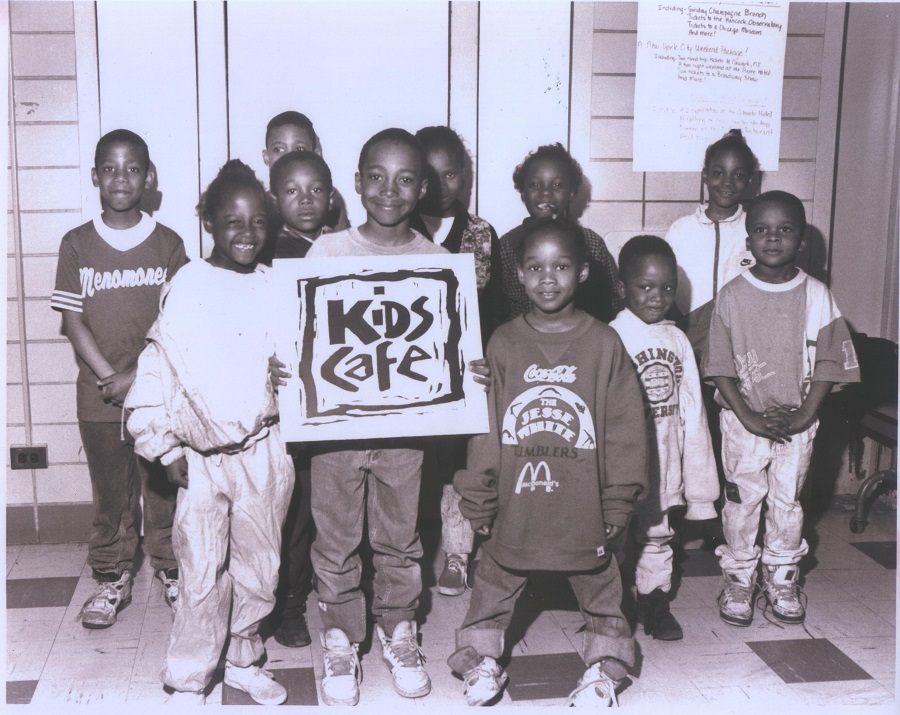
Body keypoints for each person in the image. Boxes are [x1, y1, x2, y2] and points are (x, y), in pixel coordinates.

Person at [449, 218, 647, 706]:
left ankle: (605, 666)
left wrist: (617, 504)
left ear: (582, 272)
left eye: (561, 266)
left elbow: (626, 432)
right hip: (516, 509)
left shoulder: (605, 344)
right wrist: (479, 498)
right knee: (491, 587)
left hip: (584, 511)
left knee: (603, 595)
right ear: (517, 273)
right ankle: (480, 661)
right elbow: (487, 428)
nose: (547, 277)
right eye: (535, 267)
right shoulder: (502, 343)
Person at [125, 160, 295, 705]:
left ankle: (243, 656)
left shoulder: (277, 287)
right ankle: (190, 673)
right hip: (199, 458)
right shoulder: (189, 285)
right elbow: (159, 369)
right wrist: (161, 443)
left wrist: (282, 376)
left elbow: (297, 362)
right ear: (209, 223)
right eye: (232, 221)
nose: (246, 234)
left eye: (257, 222)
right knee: (200, 568)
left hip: (264, 453)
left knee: (261, 566)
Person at [702, 191, 860, 628]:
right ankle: (738, 578)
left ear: (802, 240)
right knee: (742, 501)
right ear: (748, 239)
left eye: (785, 230)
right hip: (742, 421)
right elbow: (718, 366)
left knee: (788, 502)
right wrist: (749, 416)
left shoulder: (817, 296)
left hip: (798, 421)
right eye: (761, 230)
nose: (772, 238)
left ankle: (782, 576)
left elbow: (830, 362)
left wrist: (806, 414)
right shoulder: (731, 296)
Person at [50, 129, 186, 629]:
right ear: (94, 177)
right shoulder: (77, 244)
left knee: (163, 486)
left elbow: (179, 321)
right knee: (111, 491)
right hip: (100, 394)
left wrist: (139, 376)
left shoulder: (169, 243)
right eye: (110, 168)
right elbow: (72, 321)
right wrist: (112, 376)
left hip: (157, 391)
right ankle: (112, 578)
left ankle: (172, 570)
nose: (121, 178)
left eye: (132, 168)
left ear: (149, 177)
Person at [412, 125, 507, 598]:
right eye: (429, 174)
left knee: (459, 465)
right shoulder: (397, 229)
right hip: (408, 373)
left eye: (451, 173)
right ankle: (399, 556)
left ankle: (457, 552)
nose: (441, 184)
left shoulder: (479, 235)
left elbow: (491, 312)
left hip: (463, 376)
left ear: (464, 176)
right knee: (404, 465)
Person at [609, 236, 719, 641]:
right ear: (622, 288)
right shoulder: (611, 336)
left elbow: (693, 410)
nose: (658, 296)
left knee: (658, 534)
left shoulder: (677, 340)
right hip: (620, 465)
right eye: (646, 286)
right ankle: (613, 604)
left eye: (668, 287)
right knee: (616, 536)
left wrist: (700, 485)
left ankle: (654, 600)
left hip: (665, 461)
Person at [263, 150, 337, 649]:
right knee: (281, 512)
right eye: (292, 190)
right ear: (274, 199)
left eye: (315, 190)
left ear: (332, 198)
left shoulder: (345, 248)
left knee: (315, 512)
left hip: (333, 404)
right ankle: (274, 605)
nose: (305, 200)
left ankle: (308, 603)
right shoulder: (261, 250)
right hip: (283, 406)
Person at [497, 143, 621, 324]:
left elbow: (612, 300)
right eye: (535, 184)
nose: (545, 192)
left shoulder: (591, 243)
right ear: (523, 193)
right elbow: (499, 309)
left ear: (571, 193)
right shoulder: (508, 244)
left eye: (557, 185)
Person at [664, 129, 759, 356]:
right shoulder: (681, 229)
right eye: (718, 173)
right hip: (689, 337)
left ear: (749, 180)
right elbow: (666, 284)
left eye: (738, 175)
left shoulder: (756, 229)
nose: (727, 182)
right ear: (704, 175)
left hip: (742, 339)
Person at [262, 110, 350, 236]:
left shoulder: (330, 200)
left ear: (316, 154)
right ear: (266, 157)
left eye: (299, 149)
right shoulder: (258, 203)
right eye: (279, 149)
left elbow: (343, 247)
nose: (289, 156)